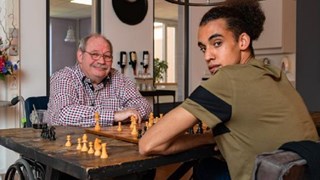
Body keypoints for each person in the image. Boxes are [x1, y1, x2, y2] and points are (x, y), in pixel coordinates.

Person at [139, 0, 319, 179]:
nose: (208, 56)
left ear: (243, 41)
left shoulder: (228, 79)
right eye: (203, 48)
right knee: (209, 167)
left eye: (217, 43)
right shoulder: (275, 75)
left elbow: (148, 144)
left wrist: (207, 138)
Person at [45, 33, 152, 127]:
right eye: (95, 54)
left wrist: (129, 114)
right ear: (80, 56)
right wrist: (115, 115)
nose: (101, 61)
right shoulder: (63, 77)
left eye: (107, 56)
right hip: (66, 145)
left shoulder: (119, 79)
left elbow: (145, 107)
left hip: (110, 145)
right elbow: (64, 114)